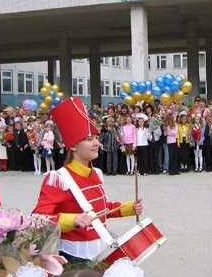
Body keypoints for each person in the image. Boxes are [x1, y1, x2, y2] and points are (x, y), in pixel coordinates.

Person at [32, 97, 142, 263]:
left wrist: (130, 208)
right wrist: (73, 220)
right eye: (89, 139)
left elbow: (103, 208)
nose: (96, 143)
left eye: (96, 138)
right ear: (74, 146)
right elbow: (38, 219)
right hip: (74, 257)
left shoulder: (96, 173)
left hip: (102, 252)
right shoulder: (57, 179)